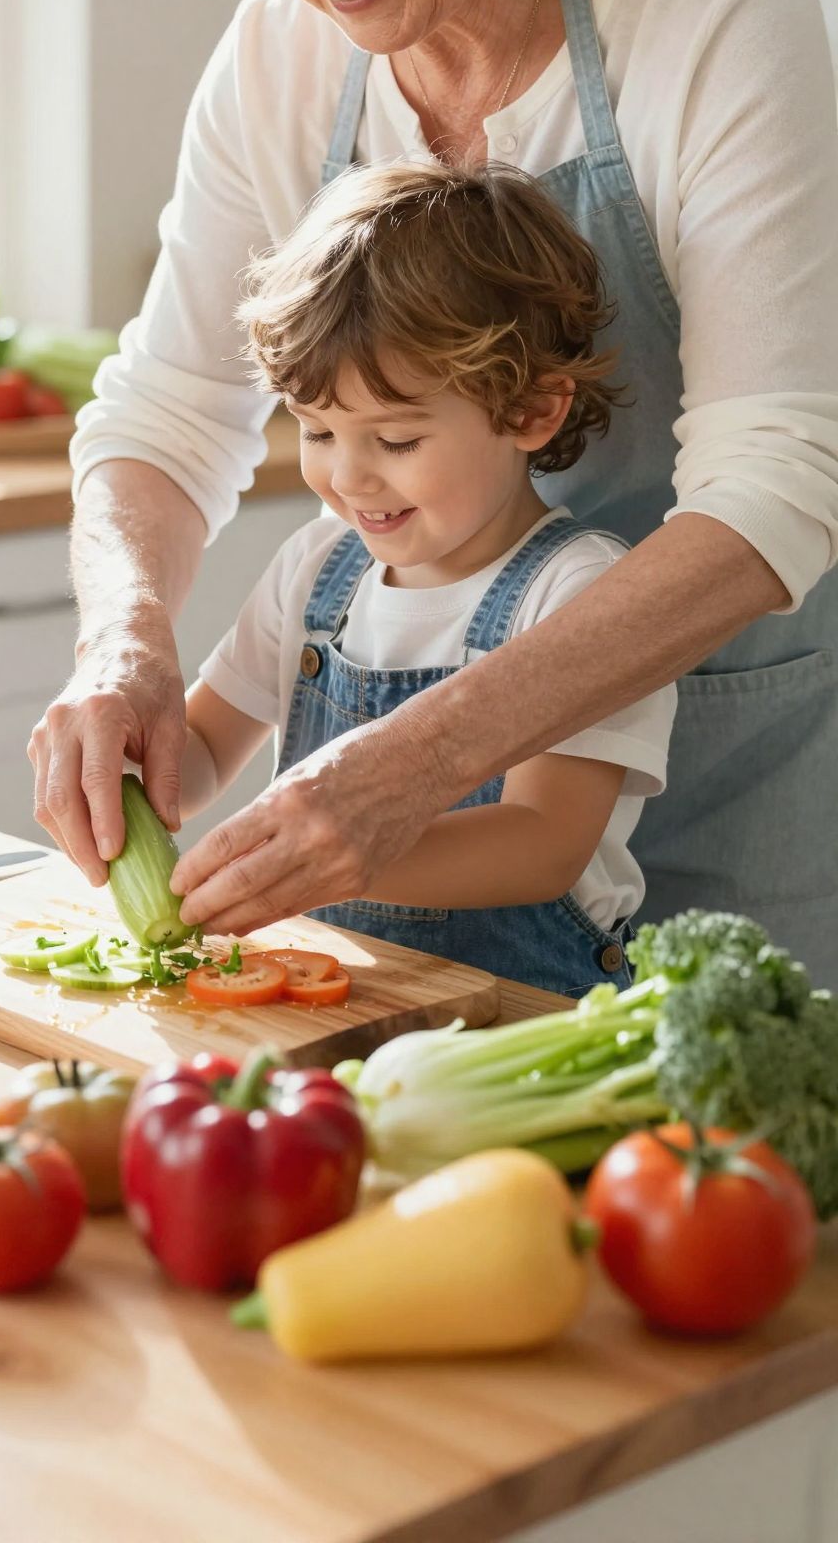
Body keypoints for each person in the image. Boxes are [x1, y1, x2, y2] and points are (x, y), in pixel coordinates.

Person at [28, 0, 838, 977]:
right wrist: (126, 644)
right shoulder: (280, 58)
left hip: (732, 779)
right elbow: (169, 409)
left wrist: (418, 764)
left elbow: (777, 486)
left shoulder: (718, 20)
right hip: (402, 874)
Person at [177, 161, 676, 995]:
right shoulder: (316, 565)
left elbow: (543, 842)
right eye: (318, 432)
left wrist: (332, 856)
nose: (349, 478)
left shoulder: (582, 593)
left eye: (396, 441)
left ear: (530, 412)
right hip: (333, 1001)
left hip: (523, 1017)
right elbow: (202, 743)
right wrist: (132, 770)